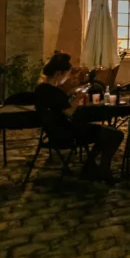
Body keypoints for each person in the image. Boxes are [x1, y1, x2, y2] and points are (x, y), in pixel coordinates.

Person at [35, 53, 123, 182]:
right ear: (58, 73)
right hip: (67, 133)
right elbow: (68, 112)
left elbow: (57, 104)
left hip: (55, 131)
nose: (68, 77)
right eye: (67, 74)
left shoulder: (42, 89)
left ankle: (90, 165)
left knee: (106, 133)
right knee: (115, 134)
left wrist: (71, 92)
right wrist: (78, 98)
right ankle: (100, 168)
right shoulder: (53, 91)